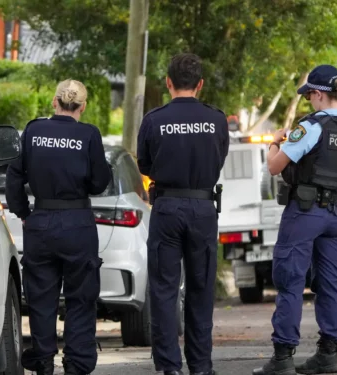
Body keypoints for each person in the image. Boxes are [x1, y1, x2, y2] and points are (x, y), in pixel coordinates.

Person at [252, 65, 337, 375]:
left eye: (309, 96)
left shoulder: (309, 128)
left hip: (304, 213)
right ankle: (329, 354)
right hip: (336, 216)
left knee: (290, 281)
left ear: (318, 94)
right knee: (330, 284)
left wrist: (274, 143)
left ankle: (283, 358)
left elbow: (275, 167)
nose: (309, 102)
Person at [6, 79, 113, 375]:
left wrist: (23, 212)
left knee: (41, 296)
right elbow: (99, 182)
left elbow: (14, 176)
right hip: (78, 224)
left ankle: (42, 360)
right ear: (83, 106)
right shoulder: (89, 134)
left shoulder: (34, 130)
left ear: (55, 102)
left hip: (41, 222)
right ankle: (76, 363)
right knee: (81, 296)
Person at [137, 53, 230, 375]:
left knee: (163, 290)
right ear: (200, 84)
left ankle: (168, 367)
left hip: (167, 208)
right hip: (203, 209)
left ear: (168, 82)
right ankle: (201, 367)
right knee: (201, 288)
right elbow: (219, 159)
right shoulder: (216, 119)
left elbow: (144, 165)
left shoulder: (153, 119)